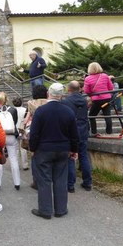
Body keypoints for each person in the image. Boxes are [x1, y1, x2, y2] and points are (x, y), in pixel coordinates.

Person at [29, 83, 79, 220]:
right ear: (62, 95)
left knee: (44, 180)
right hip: (63, 149)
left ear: (48, 94)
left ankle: (45, 210)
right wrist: (74, 150)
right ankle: (61, 209)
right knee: (61, 179)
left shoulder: (41, 111)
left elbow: (34, 134)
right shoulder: (68, 111)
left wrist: (32, 149)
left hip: (44, 149)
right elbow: (74, 134)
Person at [62, 81, 93, 192]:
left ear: (69, 90)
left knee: (71, 157)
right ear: (79, 89)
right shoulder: (84, 101)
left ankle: (70, 185)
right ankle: (87, 182)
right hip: (83, 130)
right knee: (83, 156)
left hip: (72, 132)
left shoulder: (66, 102)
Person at [21, 85, 48, 189]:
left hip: (34, 131)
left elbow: (26, 119)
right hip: (47, 131)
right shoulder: (48, 103)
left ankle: (36, 181)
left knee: (34, 157)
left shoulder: (31, 103)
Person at [0, 92, 21, 191]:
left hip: (0, 136)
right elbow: (15, 122)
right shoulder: (13, 110)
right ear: (7, 99)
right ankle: (17, 183)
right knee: (13, 159)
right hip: (11, 136)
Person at [83, 62, 114, 136]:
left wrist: (92, 94)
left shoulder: (87, 78)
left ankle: (94, 132)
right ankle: (109, 132)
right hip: (107, 98)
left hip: (96, 99)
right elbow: (111, 87)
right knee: (107, 115)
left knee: (92, 116)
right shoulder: (105, 76)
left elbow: (86, 91)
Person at [12, 96, 29, 171]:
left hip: (14, 130)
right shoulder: (25, 110)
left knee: (15, 149)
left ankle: (16, 164)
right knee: (23, 148)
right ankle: (25, 164)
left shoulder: (12, 110)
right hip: (22, 130)